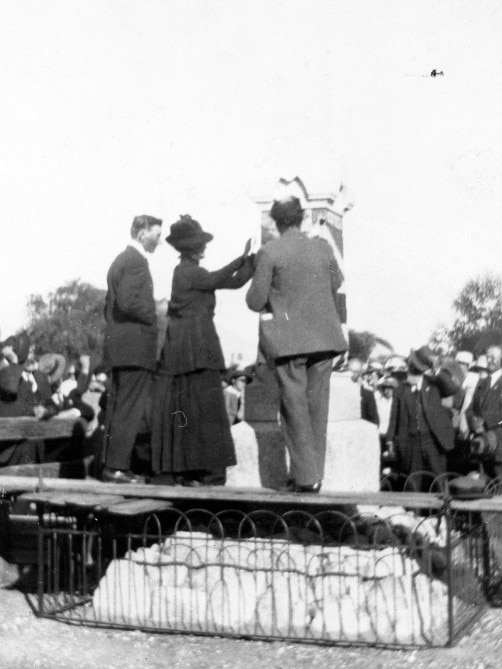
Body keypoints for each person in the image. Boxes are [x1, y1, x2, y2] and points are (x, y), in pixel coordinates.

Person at [246, 195, 347, 493]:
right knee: (318, 407)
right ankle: (314, 474)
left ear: (274, 222)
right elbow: (336, 282)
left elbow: (255, 301)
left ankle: (306, 478)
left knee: (294, 409)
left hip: (289, 343)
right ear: (302, 218)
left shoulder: (269, 251)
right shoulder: (323, 246)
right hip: (325, 340)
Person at [150, 214, 254, 486]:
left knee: (196, 409)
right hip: (193, 348)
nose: (203, 247)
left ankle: (198, 471)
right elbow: (219, 278)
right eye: (199, 243)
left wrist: (253, 264)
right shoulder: (188, 272)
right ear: (191, 248)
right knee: (205, 410)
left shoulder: (190, 271)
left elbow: (232, 281)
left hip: (189, 349)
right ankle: (207, 473)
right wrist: (242, 259)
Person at [101, 214, 162, 483]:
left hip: (120, 348)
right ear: (142, 234)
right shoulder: (136, 262)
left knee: (118, 407)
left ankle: (111, 465)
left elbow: (110, 306)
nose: (159, 241)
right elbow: (127, 302)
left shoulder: (120, 262)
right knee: (128, 409)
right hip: (135, 351)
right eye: (156, 235)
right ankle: (116, 468)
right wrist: (154, 312)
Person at [385, 345, 458, 490]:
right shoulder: (400, 390)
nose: (408, 374)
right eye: (409, 369)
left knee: (439, 479)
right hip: (410, 442)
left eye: (412, 370)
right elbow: (394, 417)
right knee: (413, 481)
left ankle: (444, 512)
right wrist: (389, 440)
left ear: (421, 373)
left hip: (433, 439)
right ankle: (414, 513)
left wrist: (436, 369)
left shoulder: (434, 384)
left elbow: (451, 388)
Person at [0, 334, 57, 466]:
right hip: (8, 449)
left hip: (32, 447)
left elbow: (53, 406)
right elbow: (10, 390)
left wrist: (46, 411)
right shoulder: (5, 375)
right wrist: (14, 364)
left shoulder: (38, 378)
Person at [465, 345, 502, 479]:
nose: (489, 360)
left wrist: (485, 421)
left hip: (499, 447)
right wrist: (473, 422)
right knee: (483, 485)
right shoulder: (482, 382)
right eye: (488, 357)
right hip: (481, 445)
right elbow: (470, 409)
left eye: (493, 357)